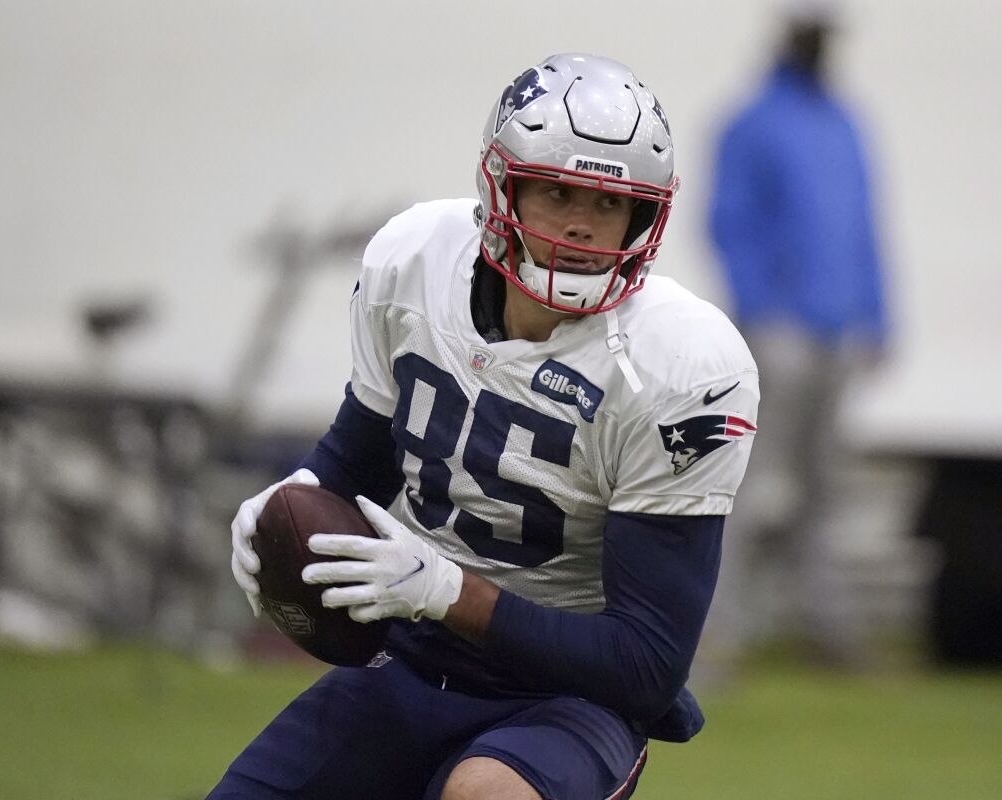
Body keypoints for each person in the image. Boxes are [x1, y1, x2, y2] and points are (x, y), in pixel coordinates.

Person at [212, 53, 759, 800]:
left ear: (644, 215)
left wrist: (450, 591)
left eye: (607, 203)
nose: (579, 224)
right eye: (559, 191)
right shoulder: (414, 263)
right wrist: (298, 494)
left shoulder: (683, 365)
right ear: (502, 185)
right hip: (408, 658)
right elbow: (361, 454)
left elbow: (646, 662)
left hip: (569, 698)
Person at [706, 4, 888, 669]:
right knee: (749, 484)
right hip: (782, 333)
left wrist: (878, 315)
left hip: (838, 333)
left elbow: (866, 228)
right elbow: (729, 223)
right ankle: (717, 633)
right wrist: (762, 312)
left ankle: (826, 627)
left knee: (823, 491)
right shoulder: (752, 122)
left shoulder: (845, 123)